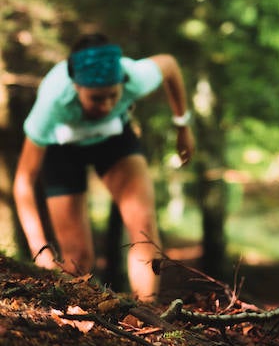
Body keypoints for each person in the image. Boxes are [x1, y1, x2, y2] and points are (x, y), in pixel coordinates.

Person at [13, 32, 194, 302]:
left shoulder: (133, 77)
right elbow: (24, 182)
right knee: (78, 258)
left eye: (113, 95)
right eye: (97, 99)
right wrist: (41, 252)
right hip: (62, 151)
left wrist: (182, 126)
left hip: (114, 140)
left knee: (143, 229)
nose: (107, 105)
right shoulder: (51, 104)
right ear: (76, 87)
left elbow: (169, 64)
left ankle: (148, 314)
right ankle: (81, 322)